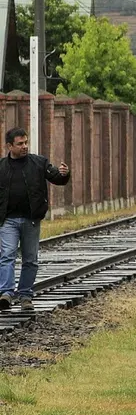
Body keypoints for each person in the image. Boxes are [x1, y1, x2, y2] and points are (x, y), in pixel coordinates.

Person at [0, 128, 70, 312]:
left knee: (30, 259)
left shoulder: (38, 163)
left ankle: (25, 295)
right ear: (9, 146)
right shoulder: (1, 167)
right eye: (20, 144)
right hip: (8, 221)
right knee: (7, 255)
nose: (24, 146)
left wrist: (64, 173)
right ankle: (6, 293)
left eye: (25, 142)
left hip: (31, 220)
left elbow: (57, 178)